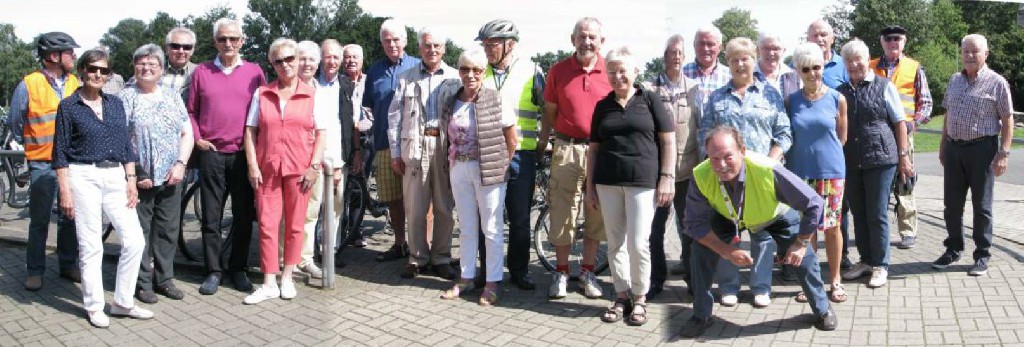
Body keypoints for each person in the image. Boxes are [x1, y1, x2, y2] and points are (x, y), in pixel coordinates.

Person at [678, 126, 837, 338]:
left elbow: (814, 203)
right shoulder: (700, 174)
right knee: (699, 251)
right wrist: (725, 251)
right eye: (714, 158)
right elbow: (694, 223)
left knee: (805, 260)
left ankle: (822, 309)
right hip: (727, 216)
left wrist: (801, 243)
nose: (721, 165)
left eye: (728, 157)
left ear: (742, 151)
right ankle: (701, 315)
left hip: (774, 216)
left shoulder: (767, 168)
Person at [53, 49, 153, 328]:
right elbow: (59, 153)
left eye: (104, 70)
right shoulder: (69, 106)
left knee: (134, 240)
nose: (98, 74)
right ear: (82, 70)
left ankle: (122, 302)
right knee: (91, 244)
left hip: (115, 176)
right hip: (82, 175)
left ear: (109, 74)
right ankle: (95, 305)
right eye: (93, 68)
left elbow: (125, 145)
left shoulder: (115, 104)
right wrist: (65, 191)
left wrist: (130, 179)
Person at [696, 37, 791, 309]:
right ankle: (729, 286)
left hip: (761, 177)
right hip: (726, 178)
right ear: (728, 63)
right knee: (728, 231)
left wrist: (770, 164)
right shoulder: (716, 98)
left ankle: (761, 287)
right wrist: (716, 166)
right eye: (735, 59)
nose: (740, 64)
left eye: (745, 58)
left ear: (753, 60)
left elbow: (784, 134)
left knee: (762, 233)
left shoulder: (770, 94)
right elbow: (705, 134)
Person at [588, 46, 675, 326]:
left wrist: (667, 177)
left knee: (638, 244)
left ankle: (640, 298)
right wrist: (590, 187)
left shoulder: (649, 100)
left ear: (635, 72)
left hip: (643, 182)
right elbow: (593, 149)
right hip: (608, 182)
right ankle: (621, 295)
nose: (617, 76)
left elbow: (668, 140)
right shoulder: (603, 106)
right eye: (611, 71)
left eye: (622, 70)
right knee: (615, 243)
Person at [241, 38, 325, 304]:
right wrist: (252, 165)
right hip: (268, 169)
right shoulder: (262, 93)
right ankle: (268, 281)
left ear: (298, 60)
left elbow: (321, 134)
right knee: (267, 224)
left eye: (290, 59)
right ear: (272, 64)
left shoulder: (313, 94)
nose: (286, 65)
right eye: (279, 61)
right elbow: (250, 131)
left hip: (300, 170)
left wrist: (314, 167)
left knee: (295, 225)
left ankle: (287, 276)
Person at [188, 18, 266, 295]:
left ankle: (238, 268)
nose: (228, 44)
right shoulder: (202, 72)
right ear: (215, 42)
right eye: (222, 39)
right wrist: (197, 138)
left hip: (243, 155)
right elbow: (191, 111)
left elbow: (263, 113)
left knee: (244, 216)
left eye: (233, 39)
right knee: (211, 216)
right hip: (211, 154)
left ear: (242, 41)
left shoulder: (255, 72)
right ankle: (213, 271)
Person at [534, 17, 610, 299]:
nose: (587, 41)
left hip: (601, 151)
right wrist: (546, 143)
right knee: (562, 212)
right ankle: (562, 271)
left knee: (596, 212)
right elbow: (550, 113)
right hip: (567, 149)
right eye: (582, 36)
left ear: (602, 41)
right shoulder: (558, 70)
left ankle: (588, 272)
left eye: (592, 37)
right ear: (573, 39)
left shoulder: (610, 71)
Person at [438, 50, 517, 306]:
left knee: (491, 228)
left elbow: (511, 139)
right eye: (464, 69)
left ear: (484, 72)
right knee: (467, 226)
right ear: (458, 70)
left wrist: (500, 165)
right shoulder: (452, 99)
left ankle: (492, 282)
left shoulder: (495, 99)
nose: (469, 75)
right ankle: (466, 276)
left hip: (489, 170)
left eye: (476, 70)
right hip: (458, 167)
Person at [119, 44, 194, 304]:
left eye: (153, 64)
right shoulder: (126, 97)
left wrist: (181, 163)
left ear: (162, 69)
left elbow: (187, 133)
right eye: (141, 63)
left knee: (168, 230)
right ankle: (141, 283)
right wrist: (137, 172)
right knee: (139, 232)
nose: (147, 67)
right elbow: (119, 140)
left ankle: (164, 279)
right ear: (134, 67)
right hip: (140, 180)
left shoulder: (172, 96)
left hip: (171, 175)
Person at [934, 34, 1013, 276]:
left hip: (982, 150)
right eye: (965, 51)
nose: (969, 55)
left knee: (982, 206)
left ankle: (982, 254)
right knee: (951, 205)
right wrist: (943, 144)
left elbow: (1008, 120)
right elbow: (948, 115)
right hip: (954, 148)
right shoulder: (955, 80)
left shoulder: (997, 82)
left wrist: (1004, 153)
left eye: (975, 51)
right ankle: (954, 248)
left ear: (986, 54)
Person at [476, 18, 545, 290]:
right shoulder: (480, 71)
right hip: (488, 154)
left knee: (519, 219)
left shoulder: (532, 70)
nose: (487, 49)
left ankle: (519, 270)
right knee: (487, 217)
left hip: (522, 155)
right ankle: (486, 271)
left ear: (510, 45)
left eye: (492, 44)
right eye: (485, 44)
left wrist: (541, 143)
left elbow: (547, 109)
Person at [9, 31, 81, 291]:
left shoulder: (75, 82)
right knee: (39, 219)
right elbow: (16, 123)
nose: (74, 56)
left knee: (69, 217)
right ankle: (35, 270)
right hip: (42, 162)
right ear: (54, 56)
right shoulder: (29, 84)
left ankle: (68, 264)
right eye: (69, 52)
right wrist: (34, 146)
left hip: (72, 163)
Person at [836, 39, 911, 289]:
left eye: (858, 59)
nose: (854, 64)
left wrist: (903, 157)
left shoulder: (883, 86)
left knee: (877, 212)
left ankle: (881, 264)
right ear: (845, 64)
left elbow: (900, 122)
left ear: (867, 60)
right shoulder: (842, 91)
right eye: (849, 60)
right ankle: (866, 260)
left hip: (882, 158)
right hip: (852, 160)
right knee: (859, 212)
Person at [387, 28, 460, 279]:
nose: (432, 50)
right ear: (419, 48)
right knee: (415, 207)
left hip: (444, 146)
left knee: (444, 206)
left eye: (437, 46)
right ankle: (416, 257)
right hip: (414, 147)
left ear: (444, 49)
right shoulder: (406, 77)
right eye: (427, 46)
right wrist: (395, 153)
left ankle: (441, 257)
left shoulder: (455, 77)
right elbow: (394, 118)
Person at [785, 42, 849, 303]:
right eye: (806, 69)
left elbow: (842, 137)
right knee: (806, 230)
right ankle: (810, 282)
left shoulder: (837, 98)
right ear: (798, 71)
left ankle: (835, 280)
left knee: (832, 227)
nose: (813, 73)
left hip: (831, 171)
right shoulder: (791, 101)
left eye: (817, 67)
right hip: (800, 173)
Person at [644, 34, 700, 299]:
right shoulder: (650, 89)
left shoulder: (695, 89)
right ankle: (656, 280)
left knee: (689, 229)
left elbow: (699, 128)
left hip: (689, 170)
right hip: (658, 173)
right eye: (671, 52)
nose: (676, 57)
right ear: (664, 56)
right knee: (654, 231)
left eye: (680, 53)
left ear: (684, 57)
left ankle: (692, 278)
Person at [869, 25, 933, 250]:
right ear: (882, 41)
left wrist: (913, 123)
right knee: (878, 184)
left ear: (904, 42)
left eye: (897, 38)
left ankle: (908, 231)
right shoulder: (870, 66)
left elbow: (926, 104)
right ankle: (878, 231)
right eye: (888, 38)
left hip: (904, 135)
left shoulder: (914, 68)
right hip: (876, 135)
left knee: (905, 181)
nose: (893, 42)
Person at [363, 19, 421, 262]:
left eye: (396, 39)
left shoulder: (418, 66)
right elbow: (370, 107)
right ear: (381, 43)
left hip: (413, 144)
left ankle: (421, 248)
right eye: (387, 40)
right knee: (393, 200)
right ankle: (400, 244)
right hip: (384, 144)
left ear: (405, 41)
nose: (392, 44)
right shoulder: (374, 71)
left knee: (418, 200)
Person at [295, 40, 328, 280]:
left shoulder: (322, 91)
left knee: (311, 213)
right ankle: (287, 260)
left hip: (315, 162)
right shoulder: (286, 88)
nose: (307, 64)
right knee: (288, 214)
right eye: (302, 59)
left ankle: (305, 259)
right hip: (291, 161)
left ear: (318, 64)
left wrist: (318, 163)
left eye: (311, 60)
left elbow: (324, 130)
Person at [340, 43, 372, 248]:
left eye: (355, 57)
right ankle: (340, 231)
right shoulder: (338, 82)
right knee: (341, 187)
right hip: (344, 138)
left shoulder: (370, 82)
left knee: (359, 185)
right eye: (347, 57)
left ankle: (355, 230)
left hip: (365, 137)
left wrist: (366, 123)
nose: (351, 60)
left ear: (362, 60)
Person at [683, 26, 731, 102]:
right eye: (701, 44)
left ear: (720, 48)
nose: (705, 49)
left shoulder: (730, 77)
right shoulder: (682, 74)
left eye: (710, 44)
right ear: (694, 45)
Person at [755, 32, 800, 99]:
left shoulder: (795, 77)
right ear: (758, 50)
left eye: (776, 49)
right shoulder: (748, 75)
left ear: (784, 51)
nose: (771, 53)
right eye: (766, 48)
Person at [806, 19, 849, 89]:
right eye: (815, 35)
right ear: (808, 40)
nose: (819, 39)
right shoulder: (797, 66)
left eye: (823, 35)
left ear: (832, 39)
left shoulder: (846, 65)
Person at [161, 27, 198, 101]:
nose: (181, 51)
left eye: (187, 47)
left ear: (192, 50)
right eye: (175, 46)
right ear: (167, 48)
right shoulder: (152, 72)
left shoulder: (200, 73)